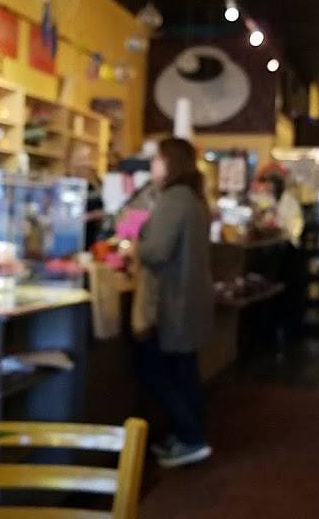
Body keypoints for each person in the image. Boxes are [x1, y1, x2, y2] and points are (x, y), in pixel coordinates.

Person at [136, 137, 214, 468]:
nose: (152, 165)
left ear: (170, 163)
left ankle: (192, 437)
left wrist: (135, 242)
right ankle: (187, 435)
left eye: (157, 159)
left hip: (173, 302)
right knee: (185, 373)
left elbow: (156, 252)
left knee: (154, 371)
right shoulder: (194, 198)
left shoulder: (173, 199)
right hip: (191, 300)